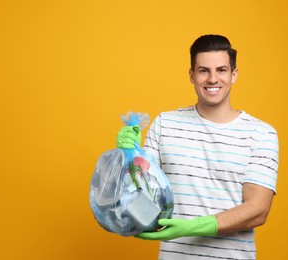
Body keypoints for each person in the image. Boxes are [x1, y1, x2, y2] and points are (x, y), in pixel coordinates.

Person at [116, 34, 279, 259]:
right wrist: (128, 155)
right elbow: (139, 192)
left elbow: (258, 210)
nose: (213, 79)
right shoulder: (165, 124)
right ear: (192, 75)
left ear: (234, 74)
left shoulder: (261, 134)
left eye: (221, 70)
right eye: (203, 70)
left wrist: (193, 227)